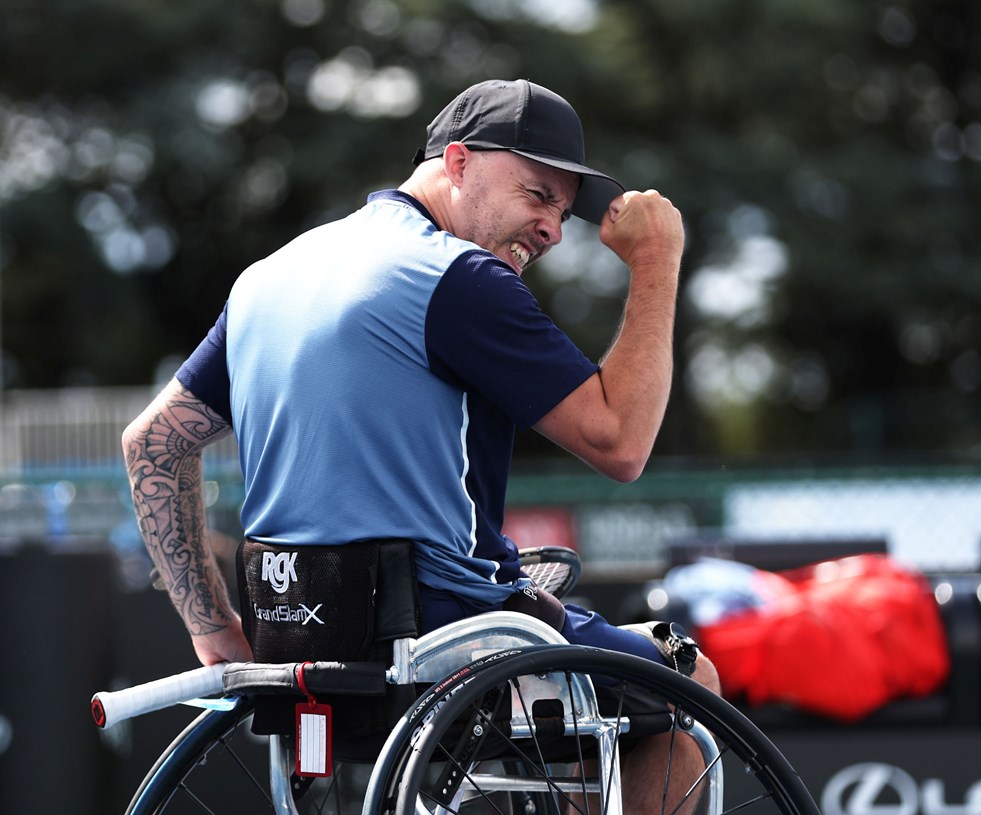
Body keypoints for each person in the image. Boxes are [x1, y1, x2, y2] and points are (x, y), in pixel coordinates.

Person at [122, 78, 718, 809]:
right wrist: (658, 263)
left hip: (296, 639)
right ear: (458, 162)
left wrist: (211, 625)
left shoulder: (268, 277)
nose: (553, 230)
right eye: (537, 195)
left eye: (562, 212)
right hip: (446, 641)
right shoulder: (458, 277)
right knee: (688, 680)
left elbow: (152, 442)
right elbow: (622, 442)